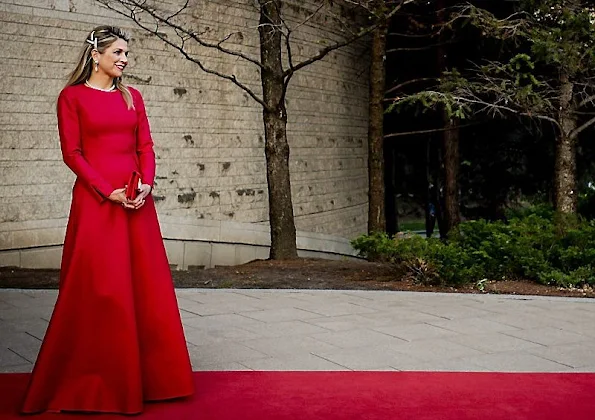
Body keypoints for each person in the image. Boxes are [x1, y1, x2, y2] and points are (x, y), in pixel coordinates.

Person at [21, 26, 194, 415]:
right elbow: (73, 153)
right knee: (99, 289)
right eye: (117, 52)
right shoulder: (71, 97)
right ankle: (93, 382)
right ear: (95, 55)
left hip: (136, 203)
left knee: (144, 289)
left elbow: (145, 146)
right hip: (97, 204)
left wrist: (146, 184)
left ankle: (152, 381)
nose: (124, 59)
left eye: (127, 54)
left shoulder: (133, 97)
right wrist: (106, 190)